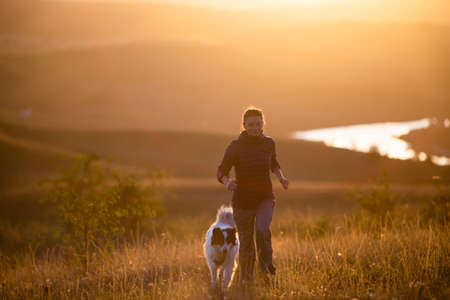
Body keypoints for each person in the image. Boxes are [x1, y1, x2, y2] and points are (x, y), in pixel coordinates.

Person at [216, 106, 289, 287]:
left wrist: (281, 177)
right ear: (244, 126)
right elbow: (221, 171)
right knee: (246, 244)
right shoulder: (235, 146)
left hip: (265, 197)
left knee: (262, 230)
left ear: (263, 123)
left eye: (258, 123)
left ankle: (266, 272)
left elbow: (274, 163)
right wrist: (228, 183)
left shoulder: (269, 143)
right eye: (251, 124)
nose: (255, 127)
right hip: (242, 201)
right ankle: (247, 280)